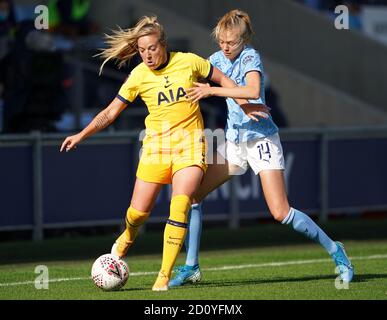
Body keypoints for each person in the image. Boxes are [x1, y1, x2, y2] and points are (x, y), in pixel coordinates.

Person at [60, 16, 268, 291]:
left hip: (190, 147)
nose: (147, 54)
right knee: (137, 214)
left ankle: (164, 275)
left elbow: (225, 80)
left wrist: (245, 106)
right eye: (142, 50)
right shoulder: (138, 76)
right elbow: (110, 112)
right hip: (156, 150)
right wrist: (81, 134)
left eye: (152, 48)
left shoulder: (190, 61)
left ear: (164, 44)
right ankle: (126, 238)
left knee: (181, 204)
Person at [170, 9, 354, 287]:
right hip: (235, 142)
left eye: (230, 42)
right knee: (192, 195)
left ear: (243, 39)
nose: (225, 47)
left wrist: (212, 91)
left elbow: (253, 90)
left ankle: (337, 251)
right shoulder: (216, 59)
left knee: (280, 212)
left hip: (261, 140)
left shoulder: (249, 56)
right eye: (221, 42)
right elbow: (194, 79)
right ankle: (191, 266)